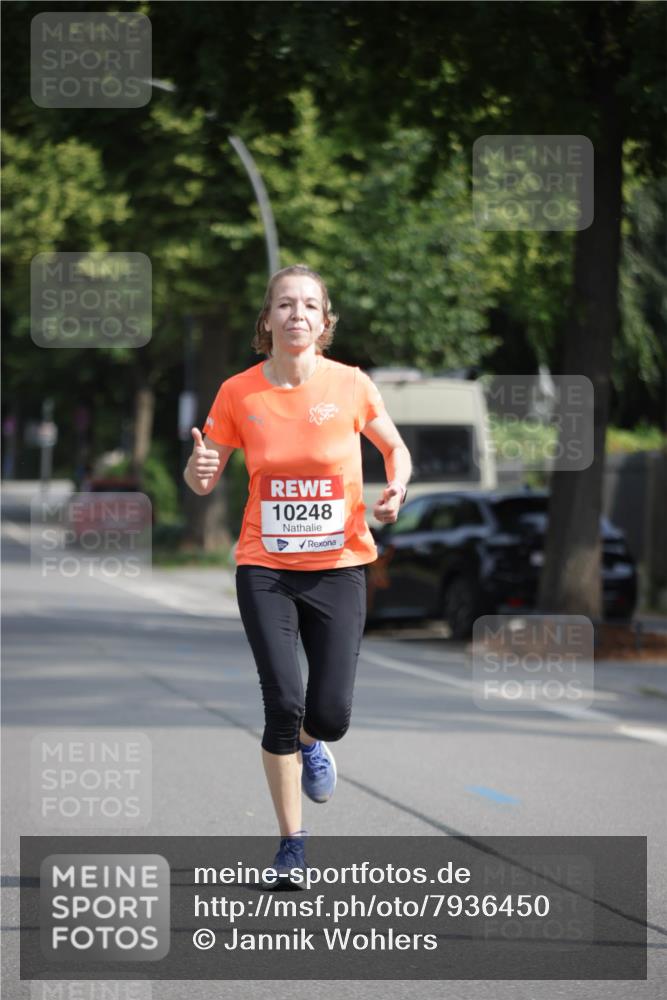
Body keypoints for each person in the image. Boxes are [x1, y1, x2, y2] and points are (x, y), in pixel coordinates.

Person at [183, 264, 411, 886]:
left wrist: (395, 487)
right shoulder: (238, 393)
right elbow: (203, 477)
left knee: (329, 713)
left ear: (325, 320)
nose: (298, 314)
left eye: (310, 305)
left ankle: (314, 743)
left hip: (339, 567)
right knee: (282, 701)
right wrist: (199, 469)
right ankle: (292, 845)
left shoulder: (352, 385)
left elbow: (395, 447)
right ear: (268, 319)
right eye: (285, 304)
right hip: (265, 566)